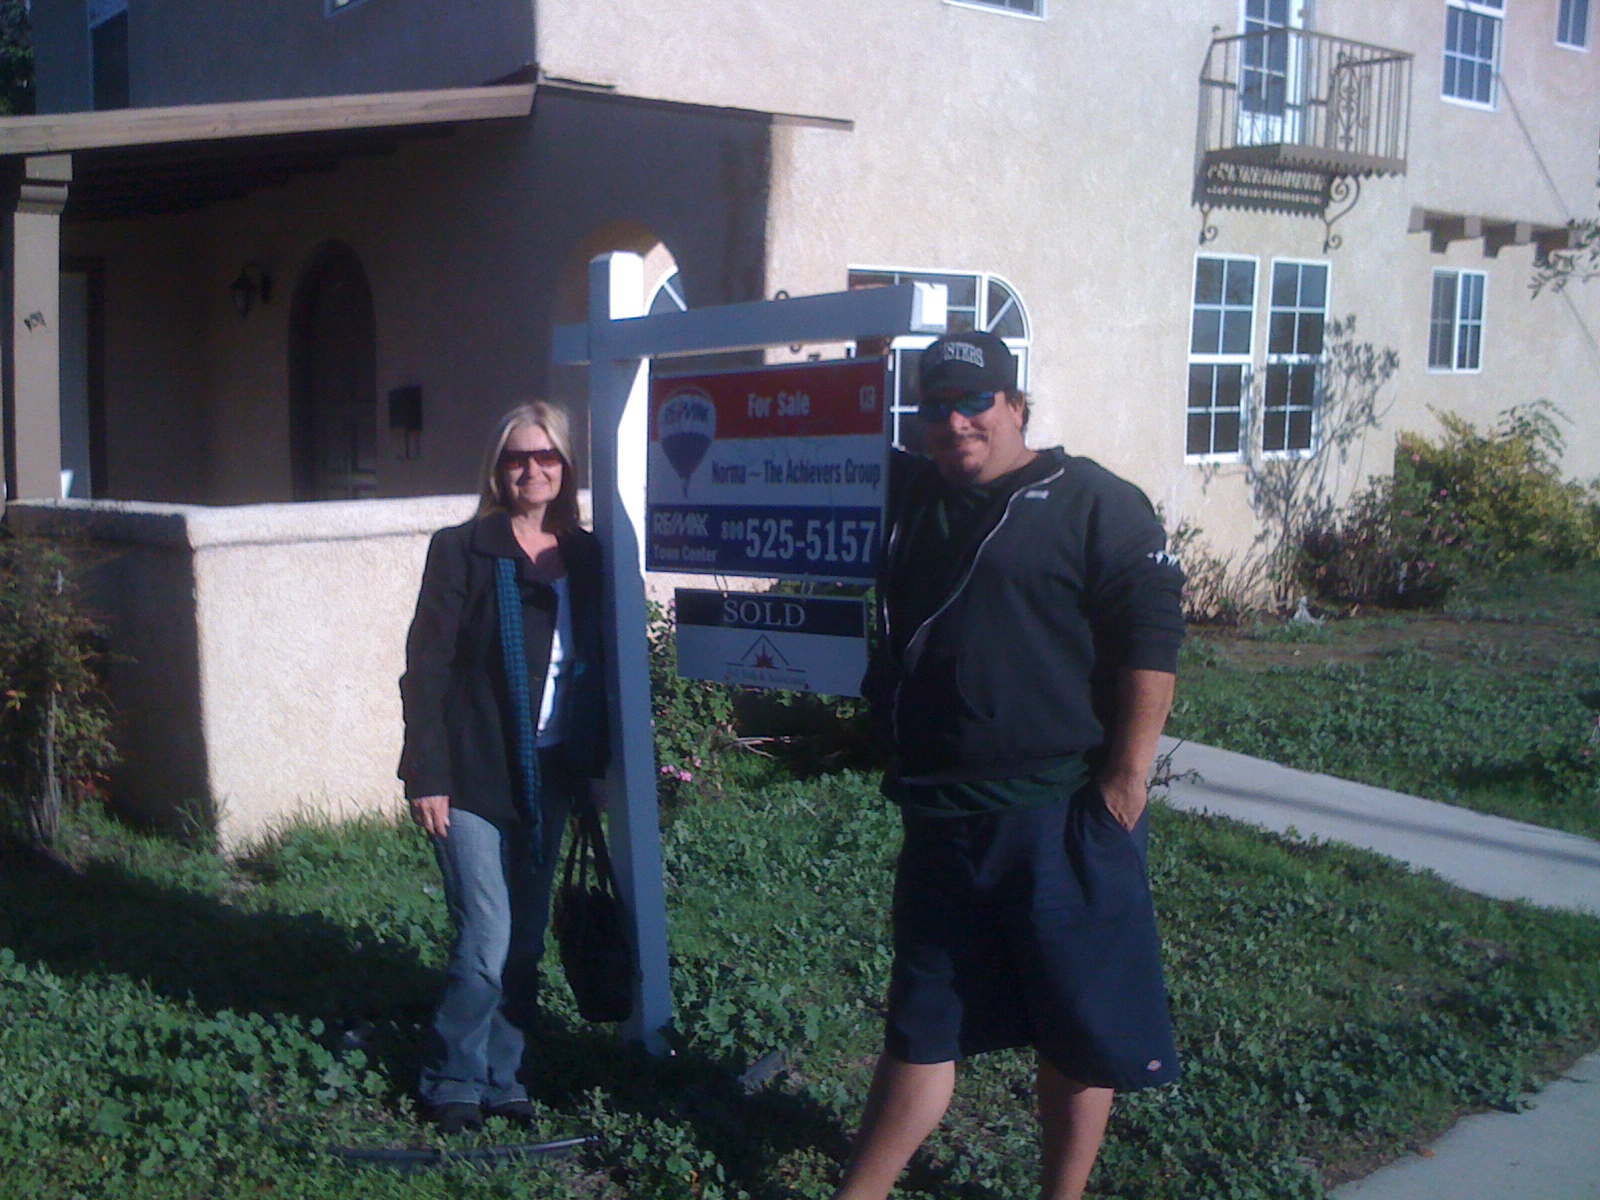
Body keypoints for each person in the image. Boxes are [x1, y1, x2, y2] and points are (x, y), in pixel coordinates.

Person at [844, 332, 1186, 1200]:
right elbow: (820, 442)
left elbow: (1151, 640)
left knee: (1075, 1034)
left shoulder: (1095, 502)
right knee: (922, 1027)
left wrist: (1127, 780)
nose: (956, 422)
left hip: (1058, 814)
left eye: (976, 402)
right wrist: (858, 361)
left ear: (1017, 407)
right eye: (936, 407)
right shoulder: (910, 495)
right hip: (940, 817)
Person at [399, 402, 609, 1133]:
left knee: (524, 936)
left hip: (552, 771)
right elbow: (427, 667)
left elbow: (598, 665)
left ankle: (505, 1074)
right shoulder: (463, 550)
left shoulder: (584, 556)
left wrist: (596, 767)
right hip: (471, 772)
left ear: (566, 467)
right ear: (498, 468)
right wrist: (426, 772)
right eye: (518, 457)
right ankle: (452, 1079)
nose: (533, 470)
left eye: (547, 456)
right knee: (487, 935)